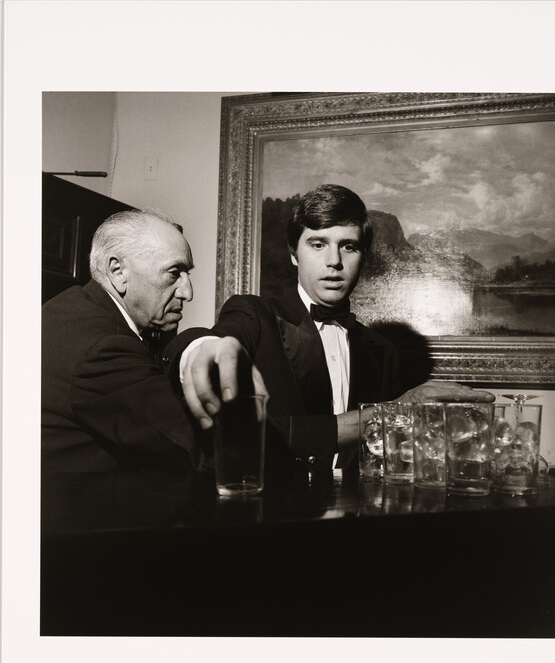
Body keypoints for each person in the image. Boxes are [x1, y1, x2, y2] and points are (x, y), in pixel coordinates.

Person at [179, 184, 492, 470]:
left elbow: (392, 456)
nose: (334, 261)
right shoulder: (254, 315)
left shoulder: (381, 353)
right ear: (293, 254)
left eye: (348, 247)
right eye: (318, 244)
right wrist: (202, 347)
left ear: (362, 257)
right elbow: (206, 344)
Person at [41, 209, 260, 471]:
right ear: (118, 271)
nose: (187, 292)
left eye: (187, 274)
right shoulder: (104, 347)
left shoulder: (75, 311)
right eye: (174, 272)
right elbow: (199, 453)